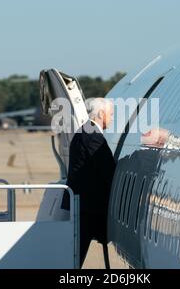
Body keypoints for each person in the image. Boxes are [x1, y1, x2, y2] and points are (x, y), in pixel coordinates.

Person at [61, 98, 116, 268]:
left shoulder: (85, 131)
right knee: (74, 260)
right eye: (111, 114)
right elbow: (108, 171)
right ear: (101, 114)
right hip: (86, 209)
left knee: (74, 258)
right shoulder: (92, 135)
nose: (113, 118)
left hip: (83, 206)